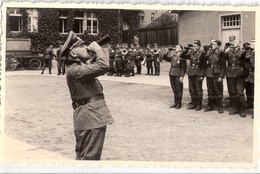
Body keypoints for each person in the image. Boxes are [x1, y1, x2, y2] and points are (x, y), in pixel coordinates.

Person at [59, 31, 114, 160]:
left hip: (87, 114)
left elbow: (96, 67)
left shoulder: (77, 69)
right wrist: (98, 49)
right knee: (90, 158)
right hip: (92, 116)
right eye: (82, 46)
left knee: (83, 157)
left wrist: (91, 55)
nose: (86, 48)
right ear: (73, 53)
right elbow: (104, 65)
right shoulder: (75, 70)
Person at [180, 40, 206, 111]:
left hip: (198, 73)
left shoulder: (202, 53)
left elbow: (204, 66)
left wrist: (202, 75)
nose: (193, 47)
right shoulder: (191, 53)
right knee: (192, 89)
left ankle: (199, 105)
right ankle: (194, 104)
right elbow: (182, 55)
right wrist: (186, 49)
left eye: (195, 46)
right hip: (191, 73)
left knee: (198, 90)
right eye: (193, 46)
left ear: (198, 46)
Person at [223, 39, 247, 117]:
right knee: (232, 92)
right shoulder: (229, 51)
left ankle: (242, 109)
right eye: (233, 42)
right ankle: (235, 108)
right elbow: (222, 59)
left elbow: (245, 62)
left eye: (236, 42)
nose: (233, 43)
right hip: (230, 73)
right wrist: (225, 51)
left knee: (239, 93)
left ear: (239, 44)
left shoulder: (242, 52)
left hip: (239, 74)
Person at [203, 40, 226, 114]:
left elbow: (223, 66)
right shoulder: (209, 52)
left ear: (218, 46)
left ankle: (219, 106)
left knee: (218, 90)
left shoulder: (221, 54)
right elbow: (203, 59)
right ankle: (210, 105)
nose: (212, 45)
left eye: (214, 44)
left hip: (217, 73)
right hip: (209, 73)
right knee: (210, 90)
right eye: (212, 44)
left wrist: (221, 76)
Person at [243, 41, 255, 119]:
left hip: (255, 74)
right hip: (249, 74)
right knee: (249, 91)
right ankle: (250, 104)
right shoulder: (249, 53)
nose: (251, 45)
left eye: (253, 44)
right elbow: (245, 60)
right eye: (251, 44)